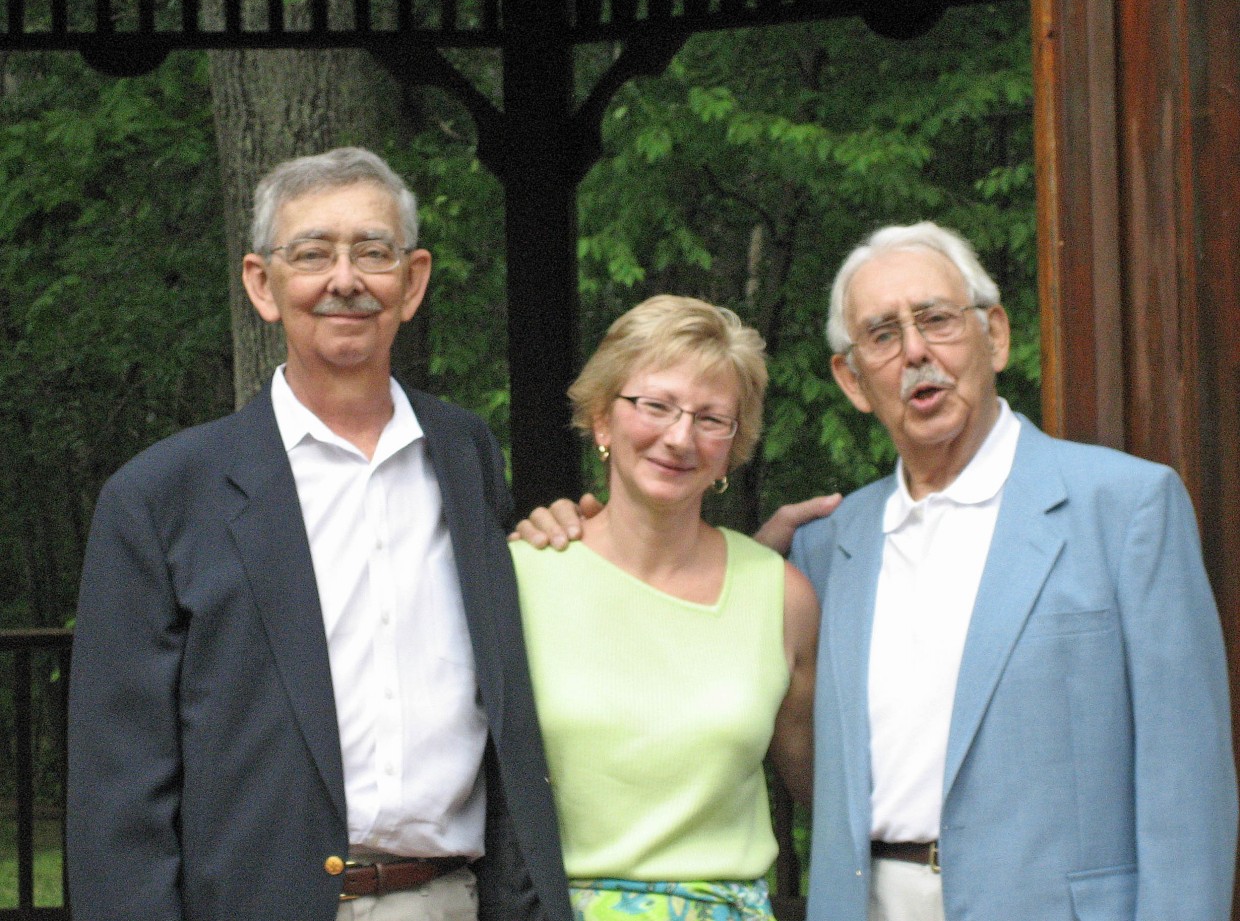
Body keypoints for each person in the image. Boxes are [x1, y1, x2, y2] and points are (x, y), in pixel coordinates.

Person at [516, 222, 1238, 921]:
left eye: (937, 319)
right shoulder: (828, 548)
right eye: (883, 335)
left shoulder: (1125, 509)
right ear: (853, 378)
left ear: (996, 335)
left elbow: (1189, 788)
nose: (916, 351)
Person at [67, 148, 571, 921]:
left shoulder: (467, 456)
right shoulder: (161, 496)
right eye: (312, 253)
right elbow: (117, 790)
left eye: (373, 251)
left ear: (414, 280)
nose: (345, 279)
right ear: (263, 285)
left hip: (450, 902)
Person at [510, 295, 818, 921]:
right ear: (602, 418)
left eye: (711, 419)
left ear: (734, 447)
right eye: (655, 405)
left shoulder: (781, 596)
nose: (679, 437)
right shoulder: (519, 575)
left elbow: (828, 797)